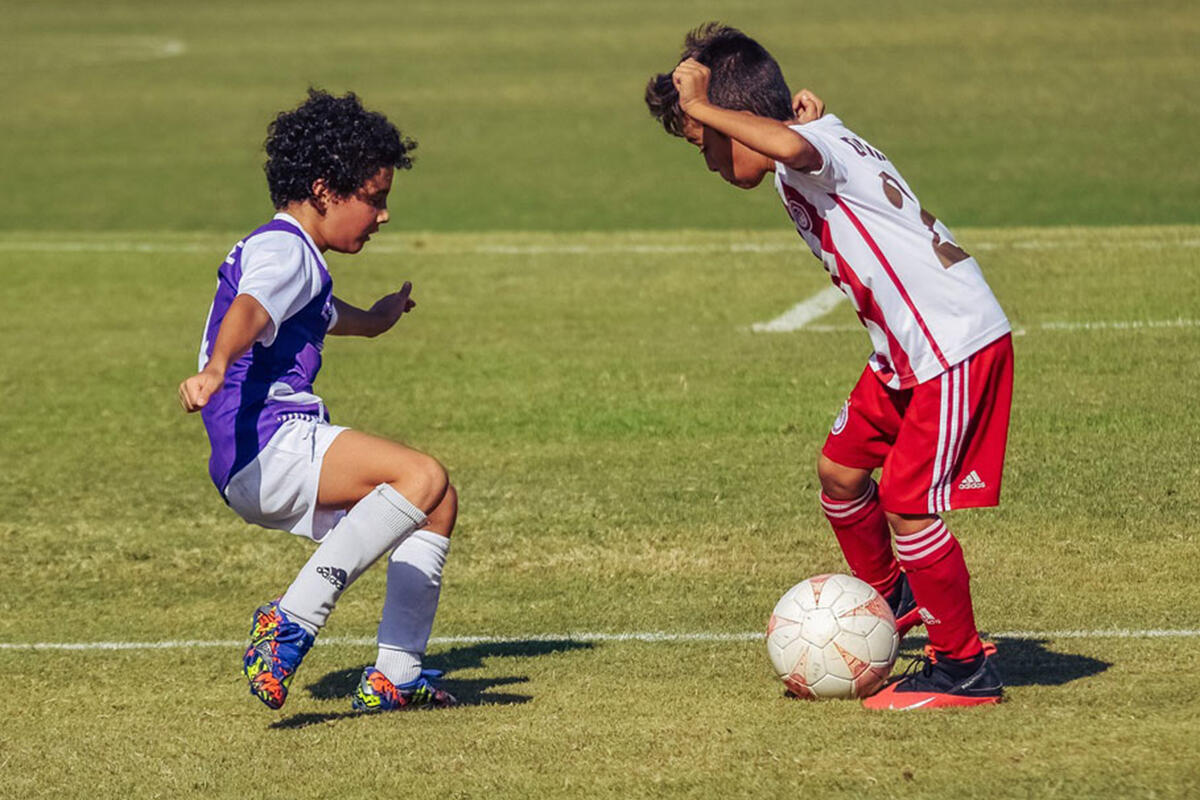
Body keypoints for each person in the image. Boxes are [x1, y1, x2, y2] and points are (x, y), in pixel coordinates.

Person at [645, 24, 1012, 709]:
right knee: (841, 472)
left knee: (908, 507)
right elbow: (789, 147)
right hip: (904, 353)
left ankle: (963, 669)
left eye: (706, 145)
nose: (712, 164)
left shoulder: (808, 148)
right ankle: (897, 603)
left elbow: (785, 145)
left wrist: (704, 106)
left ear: (742, 122)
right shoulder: (812, 147)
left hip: (948, 344)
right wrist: (770, 126)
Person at [178, 89, 457, 713]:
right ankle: (291, 621)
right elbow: (252, 308)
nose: (383, 215)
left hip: (258, 453)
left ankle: (396, 674)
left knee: (436, 503)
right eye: (375, 199)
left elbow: (322, 315)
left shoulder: (298, 257)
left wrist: (379, 319)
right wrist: (216, 367)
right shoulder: (285, 251)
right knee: (421, 475)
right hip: (268, 443)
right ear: (326, 189)